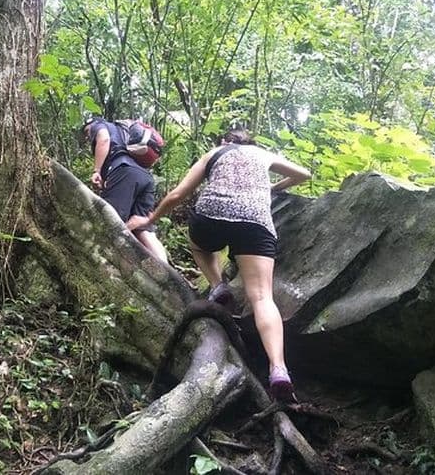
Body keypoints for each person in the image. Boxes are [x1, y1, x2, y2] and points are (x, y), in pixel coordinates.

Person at [127, 128, 311, 402]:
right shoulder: (262, 153)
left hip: (211, 218)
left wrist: (149, 219)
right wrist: (271, 188)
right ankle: (278, 369)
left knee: (199, 245)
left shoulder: (215, 152)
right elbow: (304, 174)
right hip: (255, 222)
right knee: (262, 297)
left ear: (225, 141)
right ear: (250, 142)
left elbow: (178, 194)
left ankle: (217, 285)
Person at [83, 117, 168, 262]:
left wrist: (96, 171)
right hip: (145, 177)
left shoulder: (99, 125)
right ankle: (169, 276)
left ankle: (103, 262)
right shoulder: (123, 131)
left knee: (109, 222)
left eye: (86, 132)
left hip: (124, 172)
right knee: (142, 228)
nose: (87, 137)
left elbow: (103, 140)